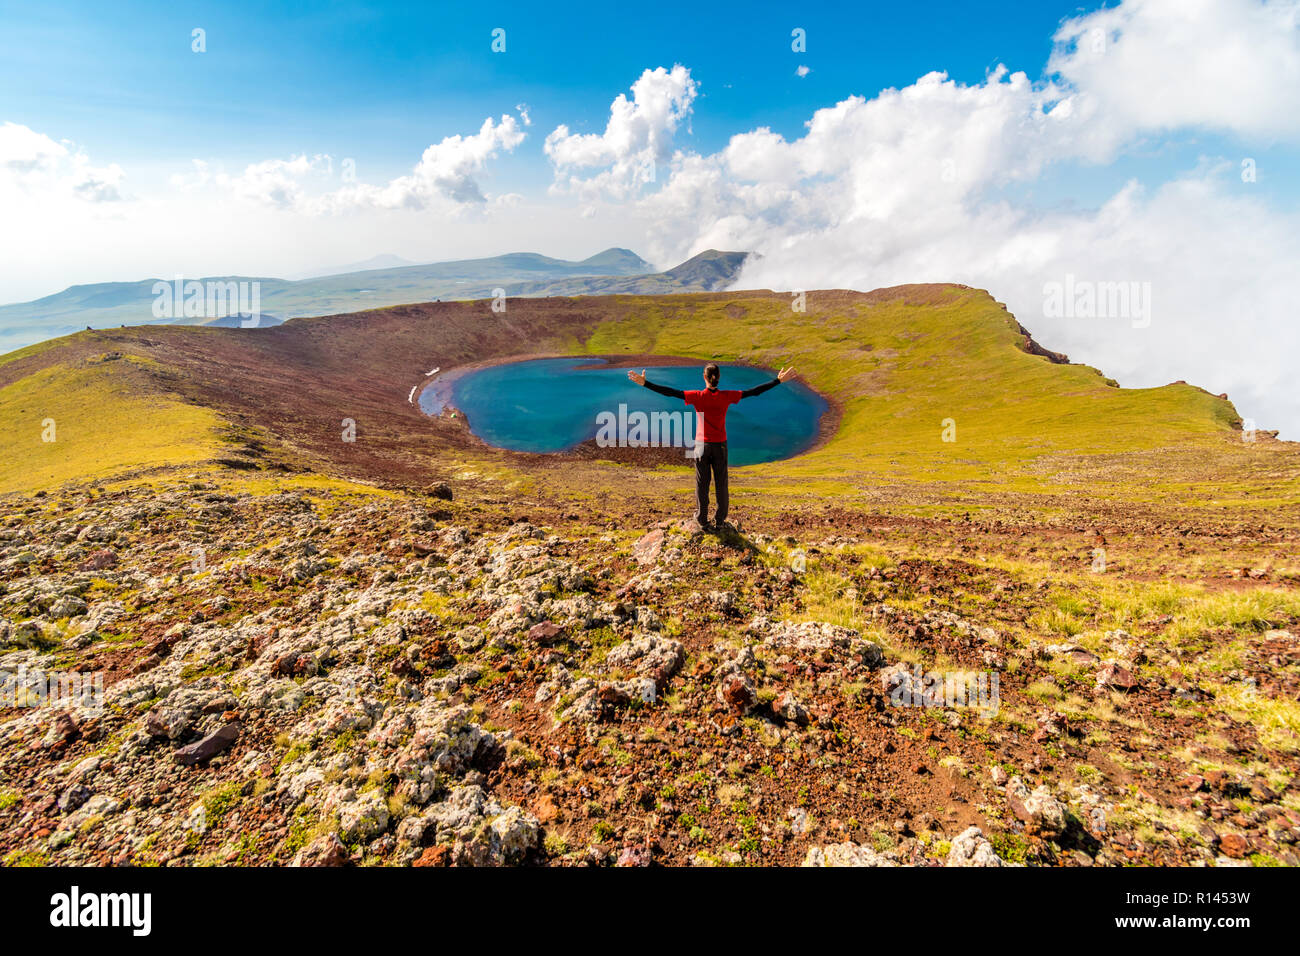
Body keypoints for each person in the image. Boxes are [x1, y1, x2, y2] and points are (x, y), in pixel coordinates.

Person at [629, 362, 796, 532]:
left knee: (702, 483)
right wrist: (778, 381)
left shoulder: (697, 396)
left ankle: (702, 520)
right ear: (719, 378)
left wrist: (645, 383)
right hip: (720, 446)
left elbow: (671, 393)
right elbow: (754, 392)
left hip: (701, 446)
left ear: (704, 377)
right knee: (721, 484)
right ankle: (720, 520)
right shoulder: (727, 396)